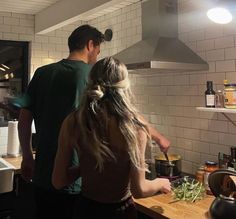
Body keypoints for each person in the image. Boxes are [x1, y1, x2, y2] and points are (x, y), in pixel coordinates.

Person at [52, 57, 171, 219]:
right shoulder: (134, 126)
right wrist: (160, 182)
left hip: (86, 210)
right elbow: (140, 190)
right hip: (120, 212)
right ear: (125, 86)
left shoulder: (74, 121)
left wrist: (86, 167)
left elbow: (58, 181)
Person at [17, 24, 105, 219]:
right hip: (73, 177)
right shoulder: (91, 76)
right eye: (98, 52)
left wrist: (27, 156)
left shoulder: (41, 72)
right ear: (90, 45)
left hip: (42, 175)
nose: (96, 58)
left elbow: (24, 118)